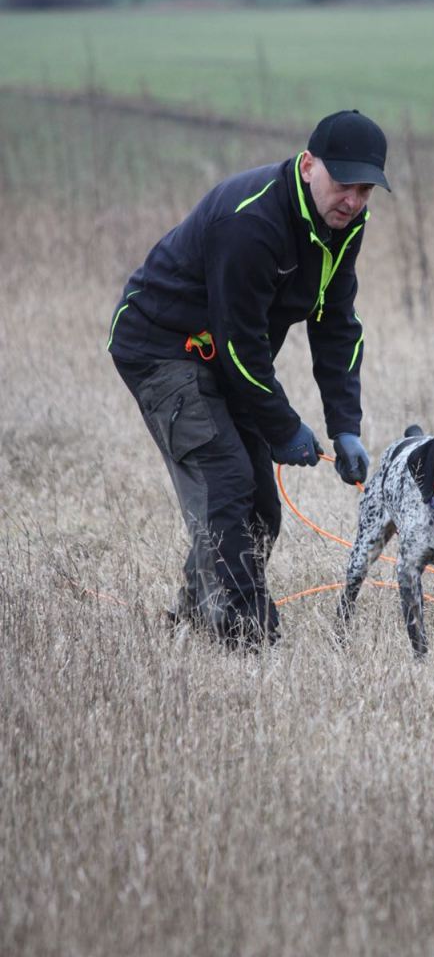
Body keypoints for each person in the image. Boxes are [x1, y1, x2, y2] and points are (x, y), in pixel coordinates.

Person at [108, 109, 390, 647]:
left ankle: (195, 616)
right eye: (342, 183)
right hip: (161, 346)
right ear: (309, 165)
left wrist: (344, 426)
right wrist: (283, 428)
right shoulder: (251, 221)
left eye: (364, 189)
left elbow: (335, 322)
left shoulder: (344, 225)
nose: (352, 200)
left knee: (259, 502)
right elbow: (240, 342)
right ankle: (246, 639)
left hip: (224, 356)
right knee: (228, 482)